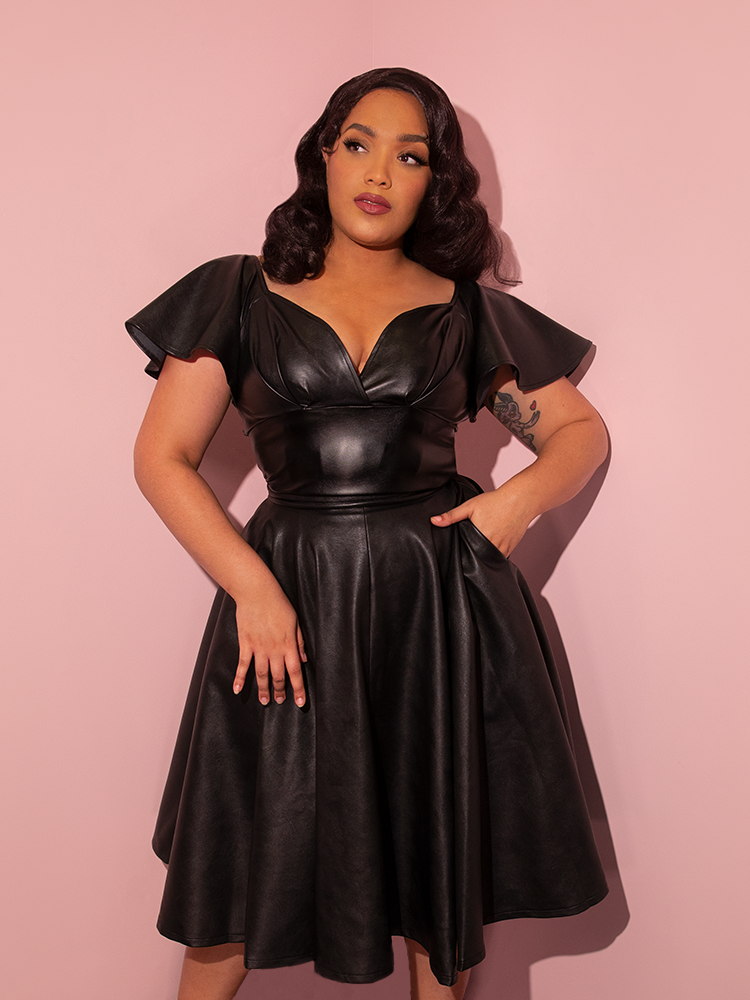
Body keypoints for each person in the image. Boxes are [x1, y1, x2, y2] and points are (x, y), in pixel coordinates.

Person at [127, 67, 609, 1000]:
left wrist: (511, 505)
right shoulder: (238, 292)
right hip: (287, 602)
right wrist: (254, 590)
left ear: (436, 181)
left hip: (437, 609)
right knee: (237, 873)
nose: (379, 171)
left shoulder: (467, 310)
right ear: (324, 155)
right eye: (358, 143)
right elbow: (162, 458)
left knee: (438, 868)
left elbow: (579, 433)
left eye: (411, 155)